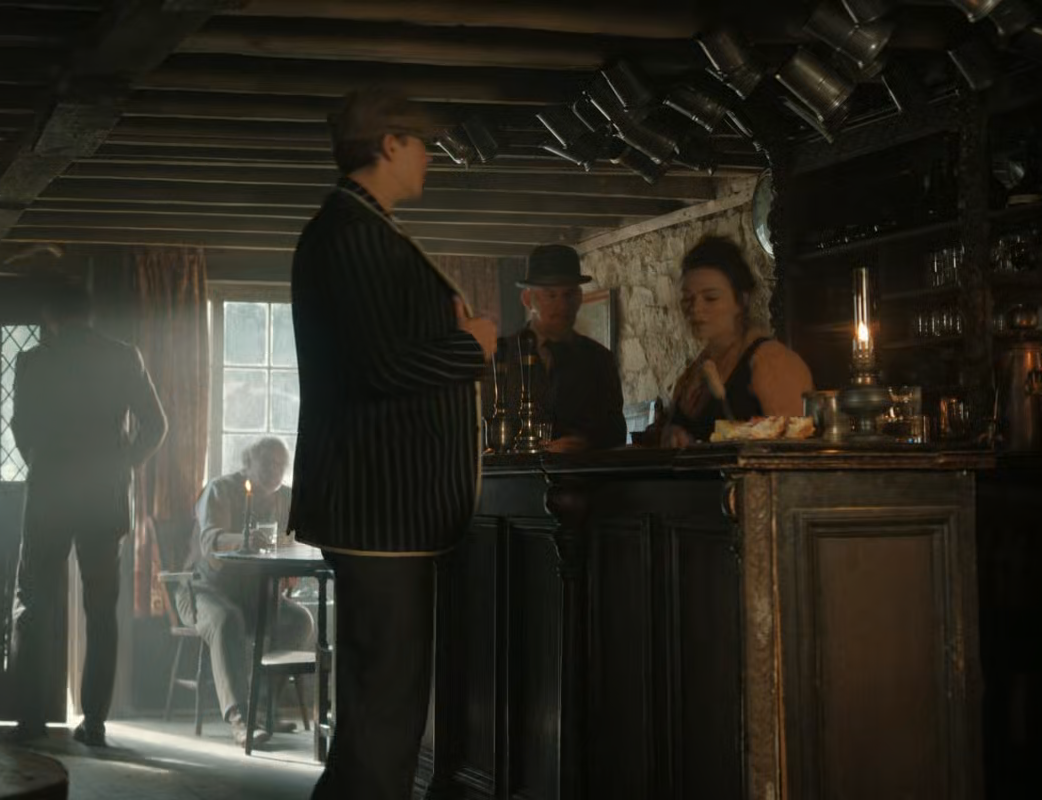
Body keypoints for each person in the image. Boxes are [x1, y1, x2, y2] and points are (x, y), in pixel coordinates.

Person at [289, 87, 498, 799]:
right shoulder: (354, 234)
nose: (430, 157)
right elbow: (376, 368)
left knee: (377, 714)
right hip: (381, 505)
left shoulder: (356, 227)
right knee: (385, 715)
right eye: (422, 143)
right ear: (389, 145)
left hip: (382, 508)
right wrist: (471, 346)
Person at [8, 280, 167, 747]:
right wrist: (123, 464)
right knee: (100, 610)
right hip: (104, 496)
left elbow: (21, 425)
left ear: (50, 316)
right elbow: (156, 424)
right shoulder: (124, 357)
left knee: (34, 605)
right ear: (90, 314)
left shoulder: (34, 361)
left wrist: (40, 463)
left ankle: (30, 720)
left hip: (49, 494)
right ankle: (94, 722)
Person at [183, 437, 314, 748]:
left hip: (254, 595)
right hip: (204, 590)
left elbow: (297, 540)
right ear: (247, 463)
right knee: (228, 619)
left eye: (280, 464)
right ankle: (241, 720)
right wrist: (243, 539)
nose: (274, 470)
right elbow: (209, 541)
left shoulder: (286, 498)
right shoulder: (220, 489)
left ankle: (263, 709)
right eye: (267, 462)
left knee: (299, 620)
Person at [657, 236, 815, 447]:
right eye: (688, 299)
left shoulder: (771, 361)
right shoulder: (696, 369)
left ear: (742, 300)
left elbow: (796, 447)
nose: (695, 309)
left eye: (710, 298)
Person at [494, 244, 627, 452]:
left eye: (569, 295)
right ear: (528, 299)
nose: (562, 306)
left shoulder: (599, 360)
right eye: (551, 295)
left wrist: (584, 446)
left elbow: (616, 433)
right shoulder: (500, 357)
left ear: (580, 297)